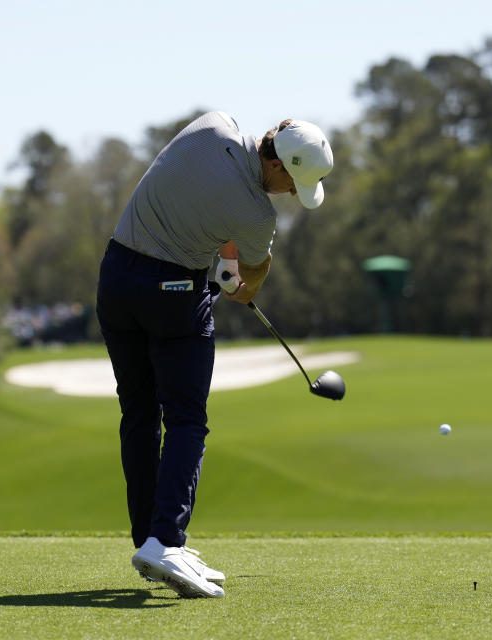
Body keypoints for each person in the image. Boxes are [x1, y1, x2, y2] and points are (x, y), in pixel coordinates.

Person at [96, 112, 333, 598]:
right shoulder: (258, 216)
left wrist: (220, 256)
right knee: (186, 420)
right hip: (172, 293)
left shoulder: (211, 125)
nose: (291, 194)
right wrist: (237, 279)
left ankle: (150, 540)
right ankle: (167, 541)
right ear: (280, 167)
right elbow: (247, 285)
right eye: (293, 184)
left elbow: (194, 189)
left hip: (116, 277)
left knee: (138, 414)